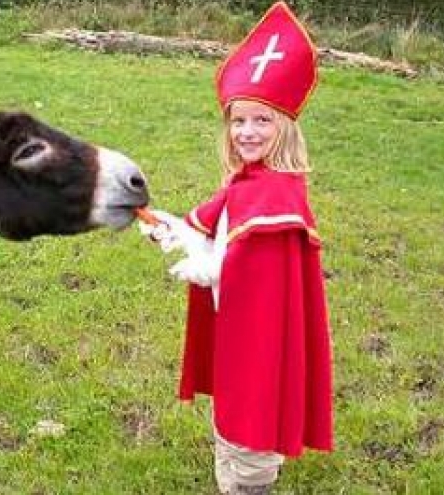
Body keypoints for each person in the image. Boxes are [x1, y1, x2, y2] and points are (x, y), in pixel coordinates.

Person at [139, 3, 334, 494]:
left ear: (285, 126)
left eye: (262, 121)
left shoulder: (280, 196)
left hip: (259, 346)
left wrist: (211, 269)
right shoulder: (245, 184)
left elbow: (256, 279)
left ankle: (249, 484)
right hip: (236, 336)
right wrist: (169, 227)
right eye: (238, 120)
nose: (246, 132)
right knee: (233, 422)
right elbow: (210, 227)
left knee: (250, 430)